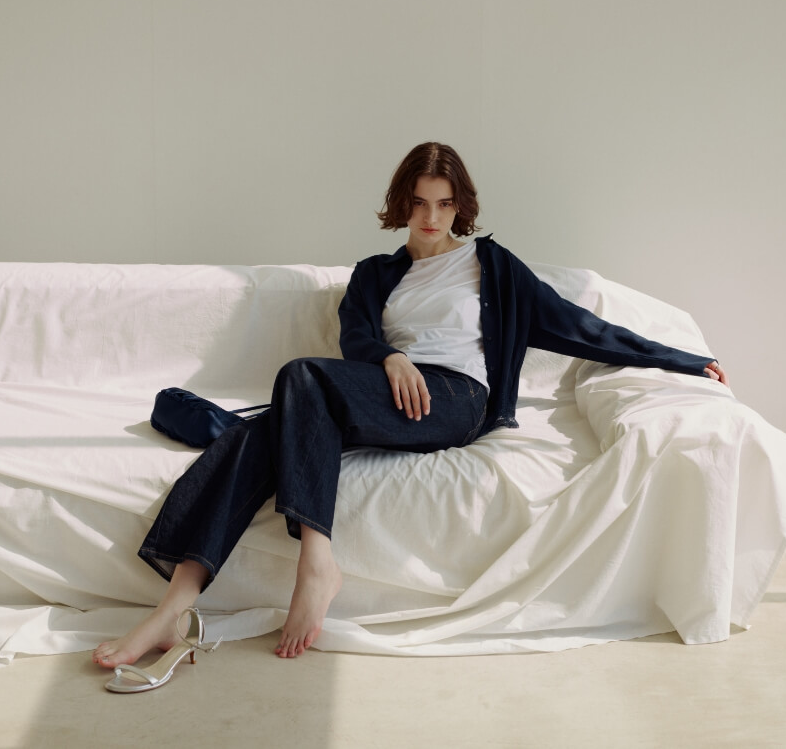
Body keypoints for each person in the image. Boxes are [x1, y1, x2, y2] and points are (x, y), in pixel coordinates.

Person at [93, 142, 727, 677]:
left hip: (454, 399)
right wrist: (391, 357)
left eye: (444, 204)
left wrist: (684, 360)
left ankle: (316, 562)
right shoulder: (375, 274)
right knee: (269, 425)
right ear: (403, 204)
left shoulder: (492, 267)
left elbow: (583, 327)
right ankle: (174, 607)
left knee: (299, 380)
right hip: (387, 389)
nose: (431, 217)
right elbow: (355, 337)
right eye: (420, 203)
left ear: (461, 206)